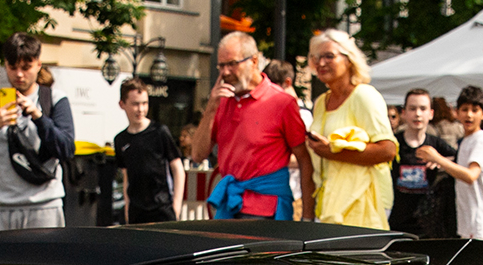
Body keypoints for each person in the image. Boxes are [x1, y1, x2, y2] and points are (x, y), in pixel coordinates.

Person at [188, 33, 311, 222]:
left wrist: (307, 216)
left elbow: (303, 158)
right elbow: (197, 155)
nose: (225, 72)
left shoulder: (281, 102)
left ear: (254, 61)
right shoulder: (221, 101)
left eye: (232, 64)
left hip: (266, 207)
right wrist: (211, 107)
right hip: (230, 204)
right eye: (221, 65)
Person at [0, 31, 76, 231]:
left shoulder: (55, 99)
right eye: (12, 67)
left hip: (43, 205)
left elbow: (66, 148)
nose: (19, 74)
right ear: (5, 65)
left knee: (42, 263)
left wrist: (39, 117)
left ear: (38, 64)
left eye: (26, 67)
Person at [305, 30, 393, 227]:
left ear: (349, 59)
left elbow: (388, 150)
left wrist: (331, 152)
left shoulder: (364, 95)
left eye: (329, 56)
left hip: (365, 200)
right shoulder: (321, 102)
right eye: (316, 57)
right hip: (330, 200)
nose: (320, 63)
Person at [110, 78, 181, 225]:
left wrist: (176, 207)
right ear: (122, 104)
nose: (141, 109)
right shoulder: (120, 140)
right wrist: (127, 209)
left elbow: (177, 168)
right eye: (135, 104)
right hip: (137, 211)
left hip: (162, 209)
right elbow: (126, 176)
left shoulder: (159, 132)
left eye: (144, 103)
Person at [388, 88, 455, 237]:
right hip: (396, 222)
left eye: (422, 109)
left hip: (428, 224)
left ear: (431, 113)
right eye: (412, 108)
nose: (417, 114)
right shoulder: (393, 142)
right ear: (403, 113)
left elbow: (459, 160)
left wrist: (440, 161)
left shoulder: (436, 144)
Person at [444, 86, 483, 242]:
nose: (469, 115)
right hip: (468, 222)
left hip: (481, 224)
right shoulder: (466, 141)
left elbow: (470, 175)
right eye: (465, 109)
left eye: (474, 110)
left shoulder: (481, 141)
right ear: (457, 112)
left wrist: (438, 159)